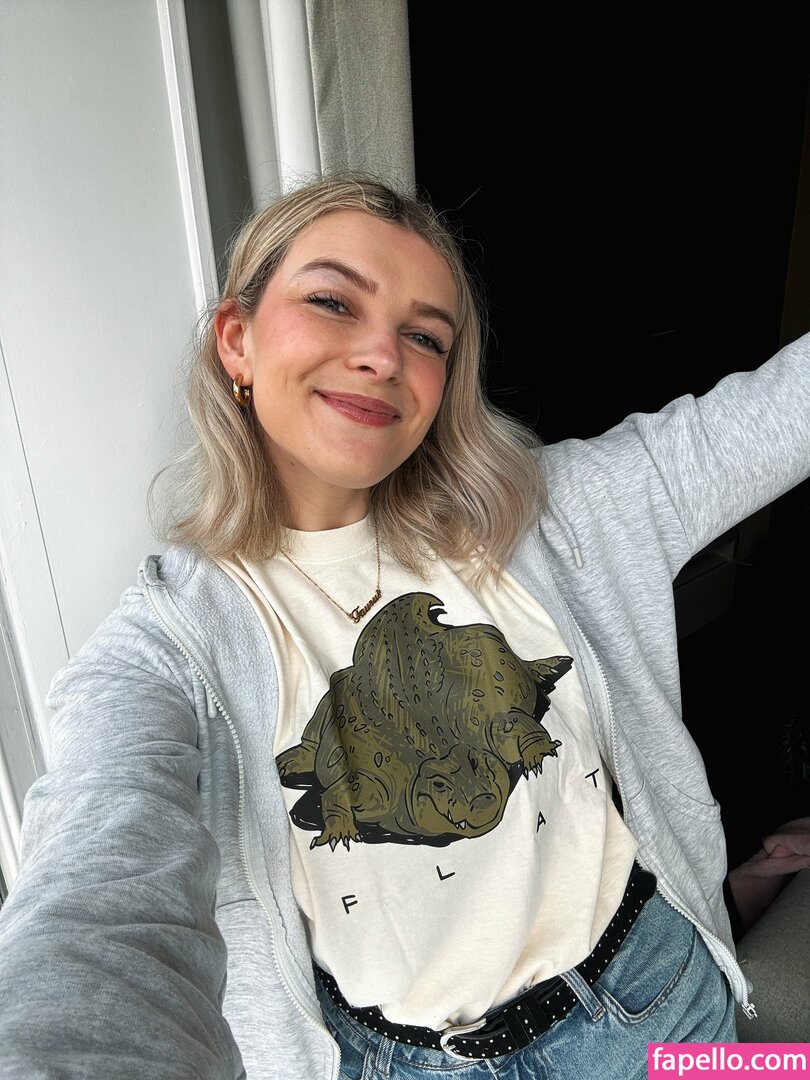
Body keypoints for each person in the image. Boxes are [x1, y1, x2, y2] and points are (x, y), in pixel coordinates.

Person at [0, 171, 808, 1080]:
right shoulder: (168, 648)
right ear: (237, 340)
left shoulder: (563, 513)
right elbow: (96, 899)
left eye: (425, 336)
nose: (382, 354)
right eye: (333, 302)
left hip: (655, 1003)